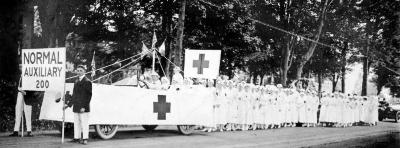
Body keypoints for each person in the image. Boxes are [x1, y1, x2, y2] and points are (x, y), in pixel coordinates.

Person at [65, 65, 92, 145]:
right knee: (76, 123)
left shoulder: (87, 81)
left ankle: (85, 138)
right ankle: (76, 138)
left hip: (83, 107)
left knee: (84, 123)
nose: (79, 72)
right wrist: (68, 105)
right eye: (78, 70)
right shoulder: (76, 81)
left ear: (84, 71)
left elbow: (89, 96)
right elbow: (74, 95)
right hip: (76, 106)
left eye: (81, 70)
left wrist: (84, 106)